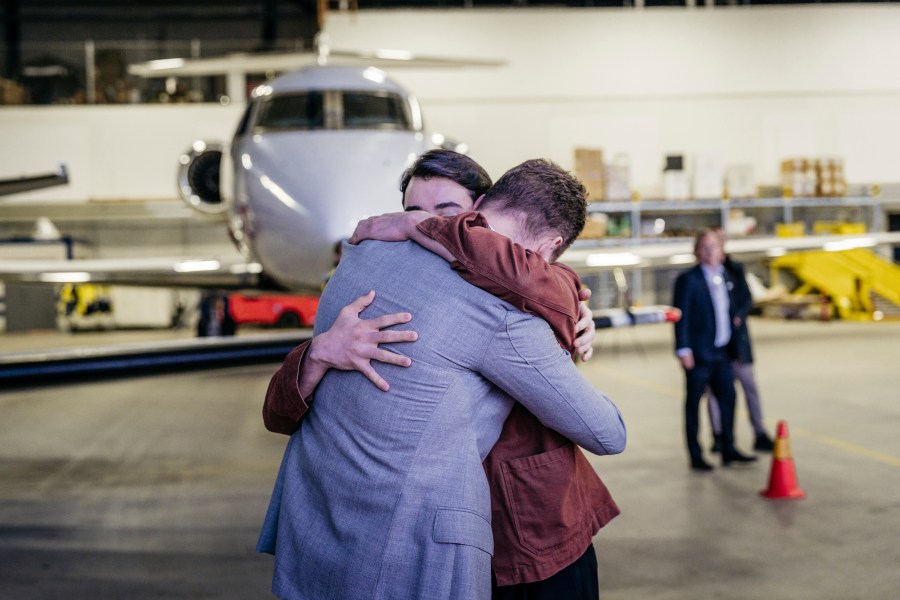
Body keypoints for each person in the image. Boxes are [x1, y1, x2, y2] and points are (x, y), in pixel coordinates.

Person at [258, 158, 626, 600]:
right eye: (412, 211)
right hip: (422, 532)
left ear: (477, 210)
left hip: (525, 527)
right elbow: (280, 413)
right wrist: (318, 353)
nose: (426, 223)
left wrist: (571, 310)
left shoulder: (368, 255)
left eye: (446, 215)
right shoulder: (492, 306)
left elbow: (528, 277)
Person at [672, 229, 756, 471]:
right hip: (698, 354)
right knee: (694, 405)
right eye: (705, 247)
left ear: (722, 251)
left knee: (728, 399)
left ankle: (728, 448)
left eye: (715, 247)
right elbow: (681, 317)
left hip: (722, 353)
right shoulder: (688, 279)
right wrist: (683, 349)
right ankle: (696, 455)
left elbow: (738, 305)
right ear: (697, 252)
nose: (710, 251)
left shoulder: (727, 276)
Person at [705, 230, 775, 453]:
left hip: (738, 345)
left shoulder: (735, 270)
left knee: (750, 388)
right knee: (715, 395)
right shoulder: (700, 274)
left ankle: (759, 432)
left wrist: (739, 316)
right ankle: (719, 436)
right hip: (715, 348)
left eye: (721, 241)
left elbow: (746, 299)